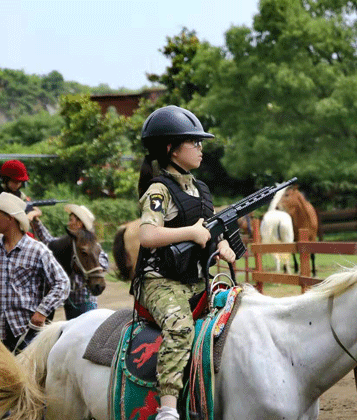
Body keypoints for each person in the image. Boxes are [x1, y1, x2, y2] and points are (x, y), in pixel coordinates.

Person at [132, 105, 236, 420]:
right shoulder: (159, 189)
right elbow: (147, 235)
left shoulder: (201, 189)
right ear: (170, 149)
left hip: (195, 279)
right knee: (179, 329)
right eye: (194, 142)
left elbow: (210, 228)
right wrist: (190, 232)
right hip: (159, 281)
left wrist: (222, 245)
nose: (201, 148)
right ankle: (167, 409)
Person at [0, 192, 70, 353]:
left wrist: (42, 311)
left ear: (10, 218)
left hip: (26, 333)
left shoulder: (38, 250)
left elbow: (62, 283)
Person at [29, 203, 109, 319]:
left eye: (71, 220)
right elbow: (50, 242)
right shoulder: (70, 244)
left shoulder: (90, 245)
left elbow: (102, 262)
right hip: (70, 302)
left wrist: (92, 265)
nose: (69, 223)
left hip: (84, 301)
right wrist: (36, 221)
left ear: (79, 223)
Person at [0, 160, 31, 239]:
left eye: (19, 182)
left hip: (15, 234)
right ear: (6, 180)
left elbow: (27, 214)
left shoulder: (21, 196)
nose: (17, 185)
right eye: (14, 181)